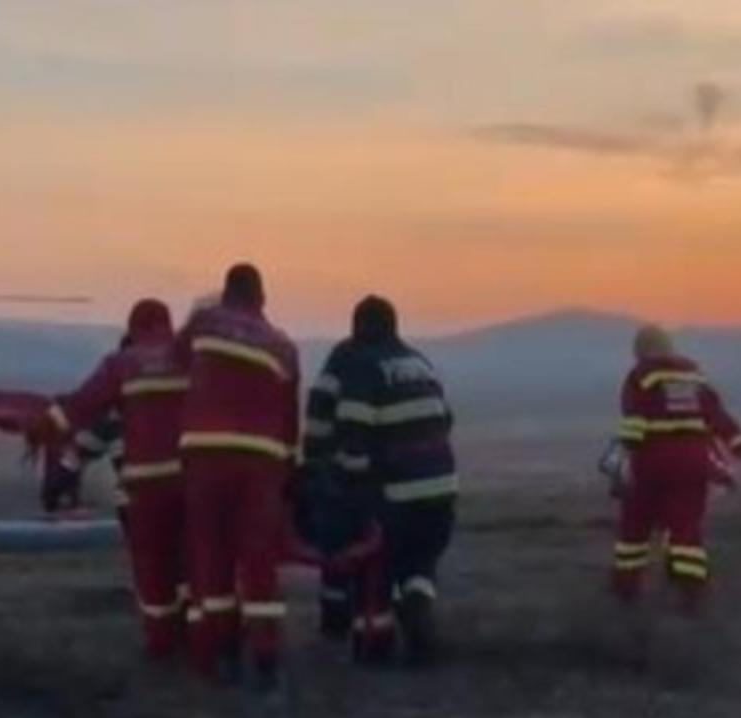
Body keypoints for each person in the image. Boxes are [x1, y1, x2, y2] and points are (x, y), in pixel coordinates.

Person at [29, 300, 190, 659]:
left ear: (133, 330)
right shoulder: (191, 358)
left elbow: (81, 410)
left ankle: (161, 642)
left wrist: (44, 434)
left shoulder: (122, 368)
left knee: (152, 570)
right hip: (190, 485)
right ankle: (200, 637)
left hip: (140, 491)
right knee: (190, 565)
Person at [303, 295, 458, 666]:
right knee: (420, 559)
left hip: (396, 494)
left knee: (370, 549)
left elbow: (351, 434)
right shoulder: (419, 362)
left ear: (356, 327)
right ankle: (418, 601)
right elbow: (446, 419)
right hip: (442, 491)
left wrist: (326, 473)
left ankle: (365, 627)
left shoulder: (355, 362)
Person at [178, 264, 301, 691]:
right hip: (261, 461)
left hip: (205, 455)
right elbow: (289, 419)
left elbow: (177, 365)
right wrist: (289, 472)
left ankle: (223, 652)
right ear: (261, 298)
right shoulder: (283, 345)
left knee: (212, 554)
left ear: (226, 292)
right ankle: (266, 658)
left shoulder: (204, 321)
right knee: (259, 558)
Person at [613, 323, 741, 615]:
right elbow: (719, 418)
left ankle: (626, 592)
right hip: (693, 463)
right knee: (686, 530)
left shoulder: (642, 376)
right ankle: (691, 597)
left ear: (640, 351)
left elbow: (633, 423)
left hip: (652, 462)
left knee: (635, 527)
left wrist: (624, 460)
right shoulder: (694, 377)